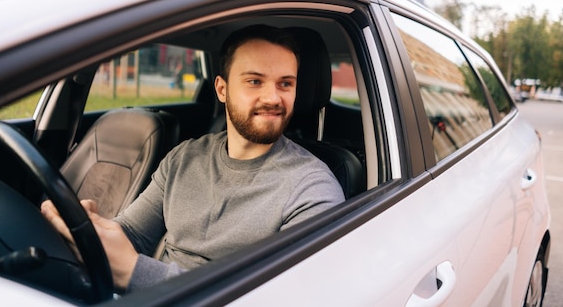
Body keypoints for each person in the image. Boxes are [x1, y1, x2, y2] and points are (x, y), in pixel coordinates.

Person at [41, 24, 345, 293]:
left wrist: (135, 272)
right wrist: (88, 229)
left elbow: (281, 299)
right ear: (222, 89)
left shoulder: (312, 188)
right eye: (255, 81)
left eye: (285, 83)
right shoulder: (184, 157)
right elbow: (133, 233)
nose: (273, 98)